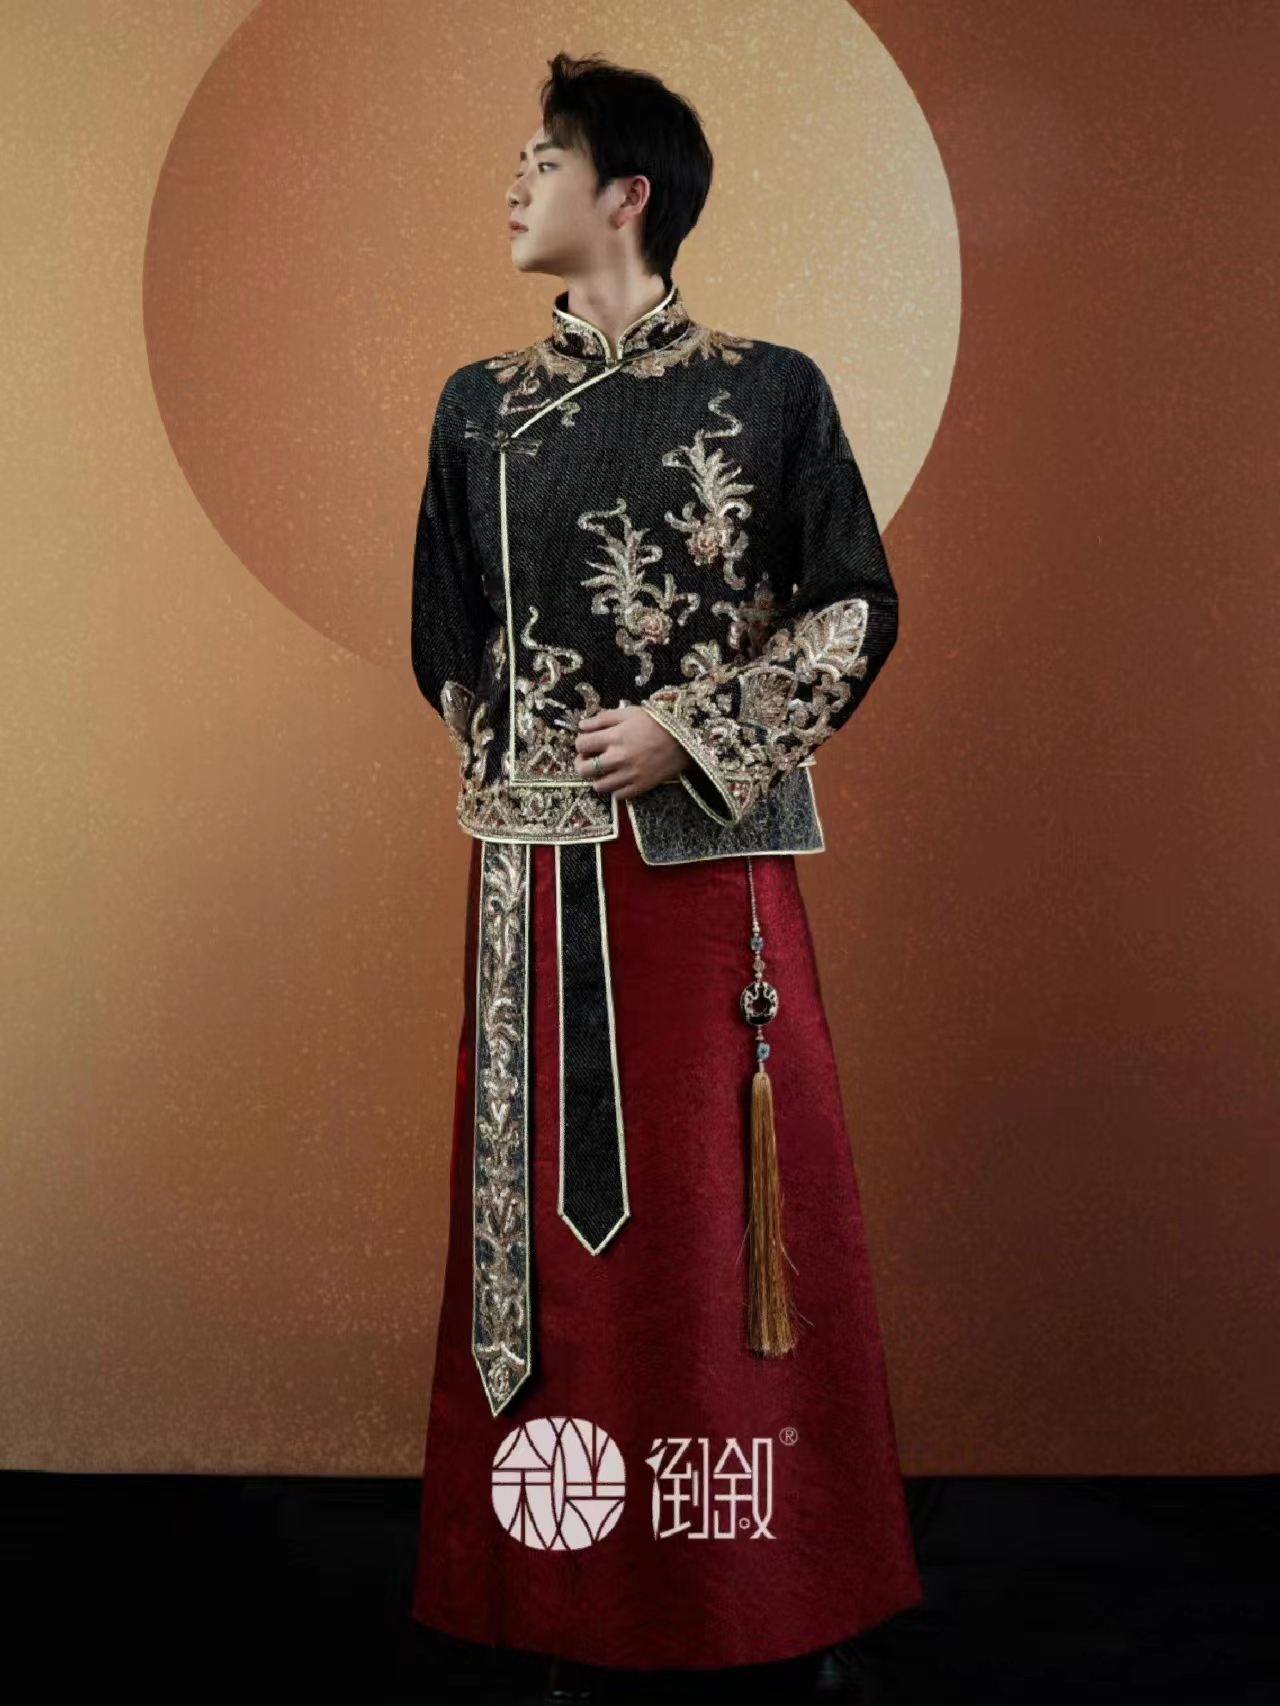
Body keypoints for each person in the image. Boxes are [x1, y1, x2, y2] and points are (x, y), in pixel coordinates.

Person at [408, 49, 922, 1703]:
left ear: (626, 193)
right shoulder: (478, 406)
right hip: (529, 892)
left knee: (716, 1238)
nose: (515, 181)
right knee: (558, 1271)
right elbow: (446, 636)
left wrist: (692, 728)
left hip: (705, 880)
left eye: (543, 157)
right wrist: (522, 761)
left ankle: (766, 1596)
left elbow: (853, 605)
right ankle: (560, 1602)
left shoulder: (771, 393)